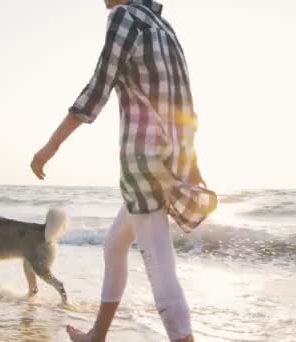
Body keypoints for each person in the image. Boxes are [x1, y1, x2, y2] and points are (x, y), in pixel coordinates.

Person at [30, 0, 217, 341]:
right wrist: (192, 163)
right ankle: (97, 336)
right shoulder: (163, 27)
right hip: (171, 157)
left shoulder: (124, 17)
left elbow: (98, 87)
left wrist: (50, 146)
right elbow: (185, 103)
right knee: (115, 245)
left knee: (159, 263)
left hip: (143, 163)